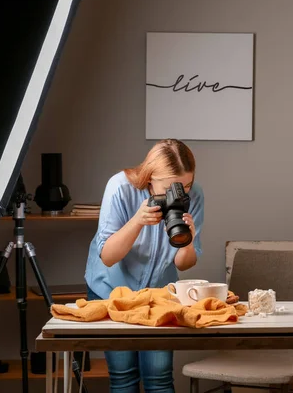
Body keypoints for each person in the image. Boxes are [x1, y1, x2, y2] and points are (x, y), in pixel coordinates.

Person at [84, 138, 204, 393]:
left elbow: (185, 264)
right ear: (150, 177)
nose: (180, 194)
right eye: (171, 188)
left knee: (159, 377)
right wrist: (137, 221)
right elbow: (107, 256)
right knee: (123, 376)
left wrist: (188, 240)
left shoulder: (194, 195)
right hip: (112, 291)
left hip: (158, 295)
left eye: (186, 186)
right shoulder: (119, 187)